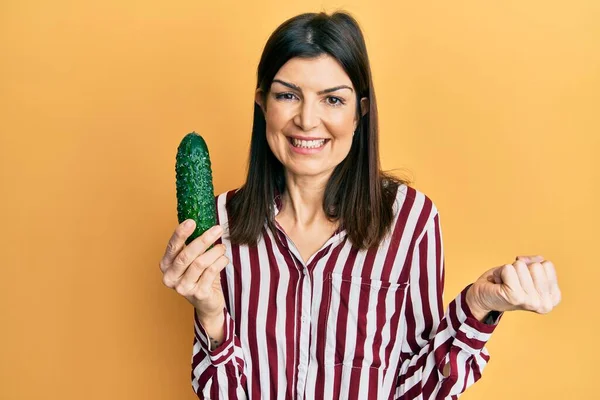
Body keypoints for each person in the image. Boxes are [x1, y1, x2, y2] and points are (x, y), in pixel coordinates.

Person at [158, 11, 561, 399]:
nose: (307, 120)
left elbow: (417, 390)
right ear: (263, 103)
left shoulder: (410, 222)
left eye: (332, 100)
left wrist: (478, 305)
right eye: (287, 95)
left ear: (360, 112)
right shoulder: (218, 226)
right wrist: (210, 315)